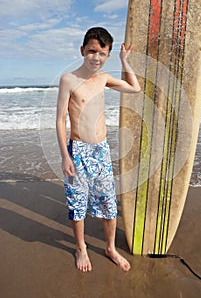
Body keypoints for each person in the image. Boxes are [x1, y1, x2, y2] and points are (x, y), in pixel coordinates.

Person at [56, 27, 141, 273]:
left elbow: (134, 88)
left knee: (108, 203)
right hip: (78, 151)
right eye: (92, 51)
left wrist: (125, 61)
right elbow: (61, 119)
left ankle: (110, 248)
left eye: (102, 53)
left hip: (101, 151)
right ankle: (81, 247)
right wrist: (65, 155)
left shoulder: (103, 78)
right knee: (78, 203)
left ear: (107, 55)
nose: (96, 57)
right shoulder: (68, 80)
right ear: (83, 50)